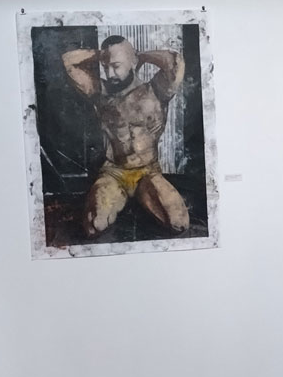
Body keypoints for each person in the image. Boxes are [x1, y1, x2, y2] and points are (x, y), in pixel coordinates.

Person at [61, 36, 189, 237]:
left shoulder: (156, 90)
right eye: (106, 67)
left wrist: (141, 55)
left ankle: (141, 198)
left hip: (148, 172)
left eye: (116, 66)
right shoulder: (100, 92)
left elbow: (176, 62)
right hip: (114, 173)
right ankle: (124, 200)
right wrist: (101, 55)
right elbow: (68, 61)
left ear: (132, 62)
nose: (110, 73)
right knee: (95, 225)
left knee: (178, 223)